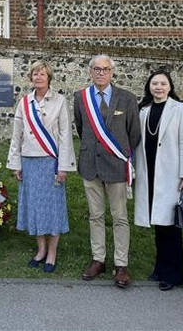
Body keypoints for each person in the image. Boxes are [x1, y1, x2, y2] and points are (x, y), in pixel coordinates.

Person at [74, 55, 140, 288]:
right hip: (90, 165)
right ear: (90, 72)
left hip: (116, 165)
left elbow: (134, 134)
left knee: (120, 217)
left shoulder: (127, 99)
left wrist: (120, 155)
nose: (101, 73)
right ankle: (98, 259)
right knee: (96, 215)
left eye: (105, 69)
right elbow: (82, 129)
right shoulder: (81, 98)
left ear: (112, 72)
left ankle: (121, 264)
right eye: (96, 69)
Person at [7, 61, 76, 273]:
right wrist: (15, 162)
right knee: (35, 207)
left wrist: (63, 166)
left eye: (42, 74)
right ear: (31, 78)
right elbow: (16, 134)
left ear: (49, 78)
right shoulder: (24, 102)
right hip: (29, 161)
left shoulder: (59, 101)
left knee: (52, 209)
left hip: (50, 162)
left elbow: (65, 136)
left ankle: (52, 252)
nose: (38, 77)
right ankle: (41, 249)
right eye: (35, 74)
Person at [134, 69, 183, 291]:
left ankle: (173, 274)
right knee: (159, 224)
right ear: (149, 86)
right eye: (155, 83)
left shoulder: (179, 110)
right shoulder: (143, 111)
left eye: (163, 84)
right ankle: (160, 268)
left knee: (171, 227)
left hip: (170, 174)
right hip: (148, 173)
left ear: (170, 87)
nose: (158, 87)